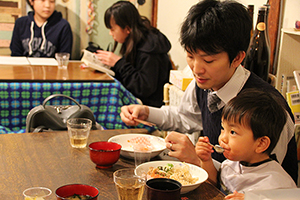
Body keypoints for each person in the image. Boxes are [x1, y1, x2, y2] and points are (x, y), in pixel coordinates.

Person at [120, 0, 298, 184]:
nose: (196, 69)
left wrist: (198, 160)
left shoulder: (269, 109)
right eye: (190, 56)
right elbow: (184, 117)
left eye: (208, 60)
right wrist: (146, 112)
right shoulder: (204, 83)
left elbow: (269, 182)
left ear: (237, 58)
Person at [195, 89, 297, 199]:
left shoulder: (277, 183)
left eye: (233, 132)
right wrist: (206, 160)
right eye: (223, 128)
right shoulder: (232, 164)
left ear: (261, 143)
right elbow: (214, 186)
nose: (223, 138)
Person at [95, 1, 172, 107]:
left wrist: (119, 63)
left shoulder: (148, 48)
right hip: (139, 102)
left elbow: (143, 88)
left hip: (150, 108)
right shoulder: (135, 40)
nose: (110, 33)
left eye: (112, 29)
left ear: (127, 29)